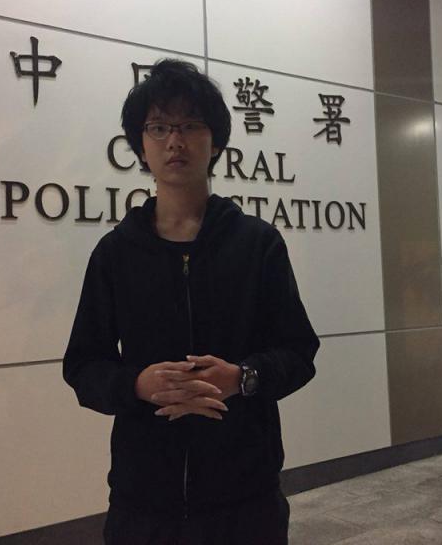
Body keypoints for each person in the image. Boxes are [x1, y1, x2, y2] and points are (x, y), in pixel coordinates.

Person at [63, 58, 319, 545]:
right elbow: (83, 365)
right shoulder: (116, 253)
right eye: (159, 127)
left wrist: (242, 378)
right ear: (140, 145)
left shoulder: (257, 244)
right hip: (143, 500)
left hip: (246, 497)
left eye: (190, 126)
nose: (174, 141)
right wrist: (136, 384)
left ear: (215, 142)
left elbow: (299, 351)